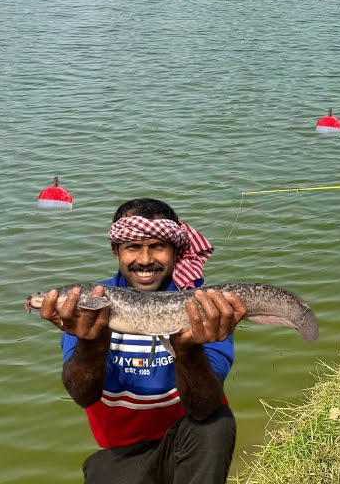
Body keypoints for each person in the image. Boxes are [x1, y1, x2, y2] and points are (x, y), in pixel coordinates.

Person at [36, 198, 245, 484]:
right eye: (133, 247)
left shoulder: (205, 305)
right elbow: (84, 396)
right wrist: (91, 343)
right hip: (121, 455)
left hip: (188, 437)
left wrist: (187, 350)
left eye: (158, 246)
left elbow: (203, 407)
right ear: (116, 251)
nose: (145, 260)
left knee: (214, 425)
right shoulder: (88, 307)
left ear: (176, 252)